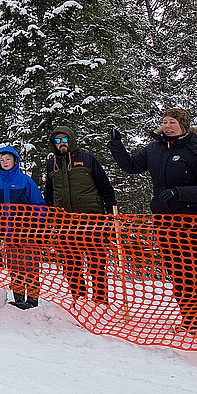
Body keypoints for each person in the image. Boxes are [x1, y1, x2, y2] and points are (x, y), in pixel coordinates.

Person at [109, 108, 197, 331]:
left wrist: (179, 192)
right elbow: (131, 166)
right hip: (166, 221)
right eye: (164, 122)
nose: (167, 126)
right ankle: (190, 319)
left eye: (172, 122)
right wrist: (117, 146)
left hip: (196, 222)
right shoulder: (155, 148)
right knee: (178, 270)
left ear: (183, 125)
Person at [45, 125, 117, 304]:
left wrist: (111, 211)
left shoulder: (87, 159)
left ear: (70, 140)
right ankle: (79, 297)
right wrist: (49, 215)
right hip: (64, 221)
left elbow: (105, 187)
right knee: (71, 263)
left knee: (96, 262)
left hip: (91, 219)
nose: (62, 144)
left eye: (64, 140)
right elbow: (49, 192)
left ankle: (100, 299)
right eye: (57, 141)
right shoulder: (51, 164)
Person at [0, 146, 46, 309]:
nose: (5, 162)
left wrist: (37, 224)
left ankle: (32, 299)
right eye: (2, 160)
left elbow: (39, 203)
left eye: (8, 159)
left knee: (29, 264)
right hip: (7, 230)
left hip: (26, 229)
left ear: (15, 161)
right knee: (14, 265)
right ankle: (18, 298)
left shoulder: (25, 180)